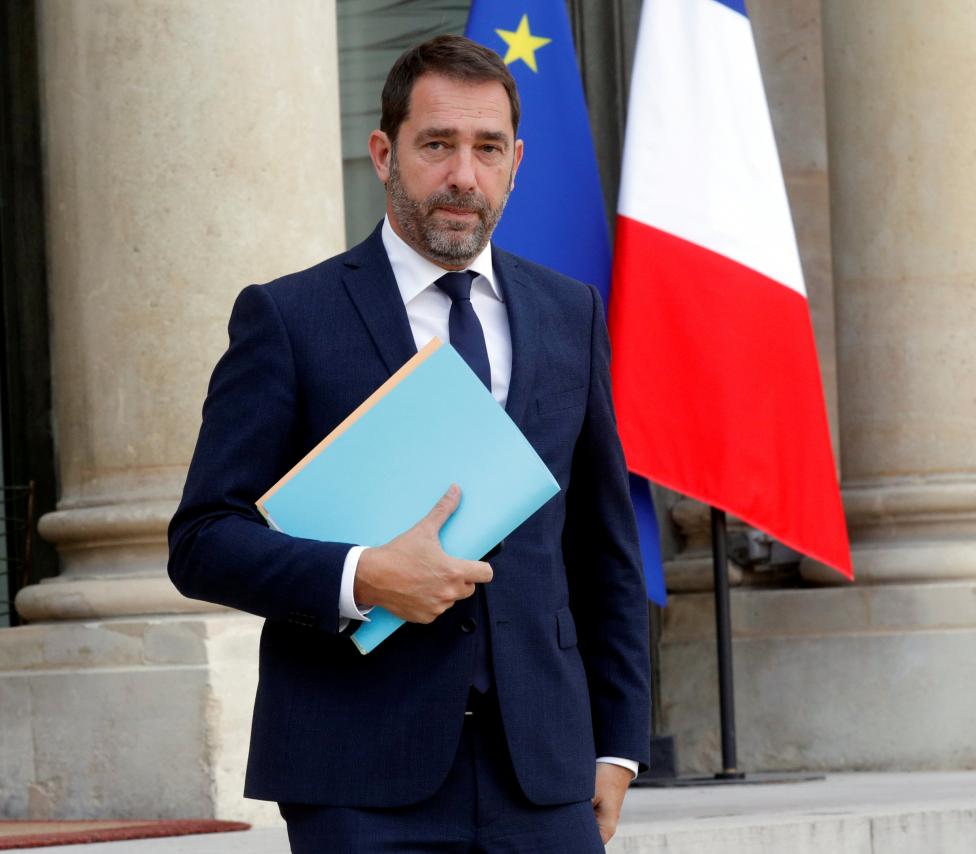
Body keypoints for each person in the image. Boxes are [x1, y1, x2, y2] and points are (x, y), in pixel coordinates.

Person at [167, 34, 650, 852]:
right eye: (437, 145)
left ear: (516, 161)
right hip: (356, 776)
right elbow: (203, 539)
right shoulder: (289, 319)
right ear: (385, 152)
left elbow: (602, 547)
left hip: (543, 774)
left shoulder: (572, 314)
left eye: (487, 148)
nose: (463, 174)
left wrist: (618, 743)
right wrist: (364, 576)